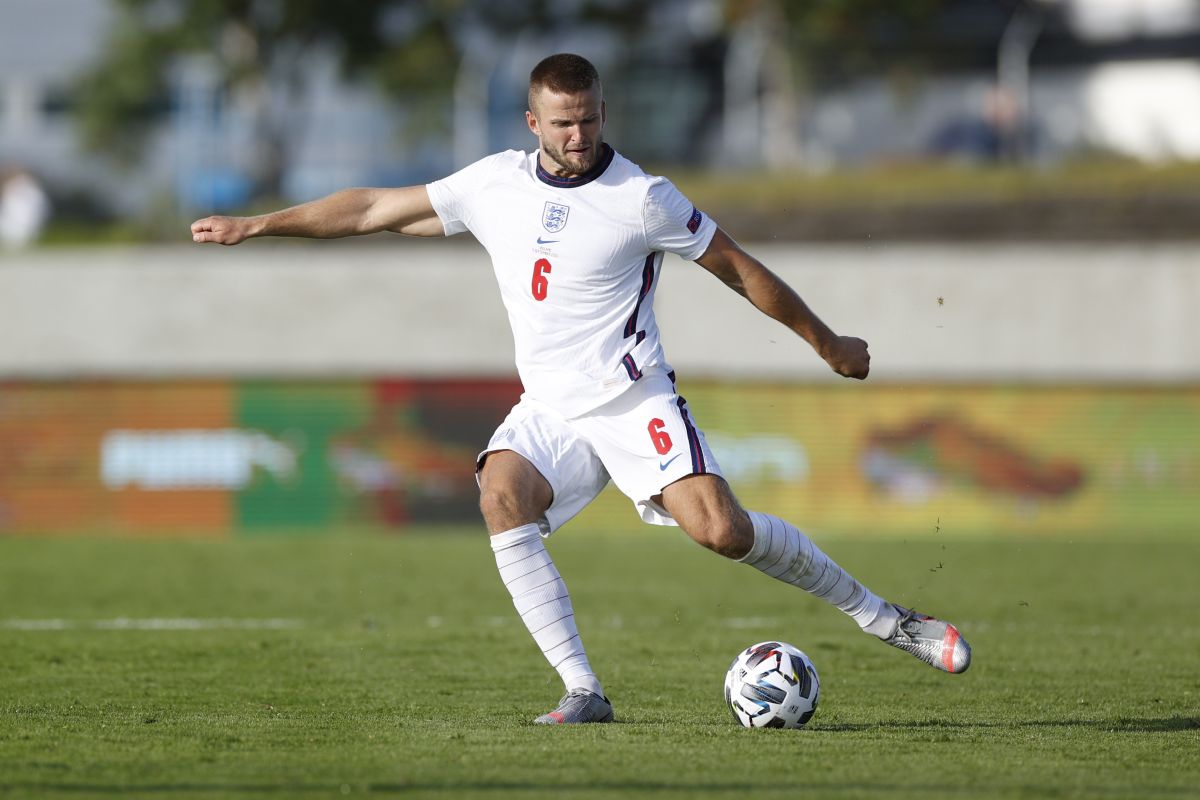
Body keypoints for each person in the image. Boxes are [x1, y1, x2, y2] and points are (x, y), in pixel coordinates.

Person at [192, 53, 971, 725]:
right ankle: (582, 688)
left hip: (634, 401)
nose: (579, 137)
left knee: (723, 534)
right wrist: (258, 224)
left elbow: (737, 268)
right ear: (532, 121)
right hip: (552, 411)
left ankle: (889, 621)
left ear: (603, 113)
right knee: (500, 493)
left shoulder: (642, 197)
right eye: (563, 123)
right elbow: (371, 208)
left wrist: (825, 341)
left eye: (590, 120)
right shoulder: (494, 184)